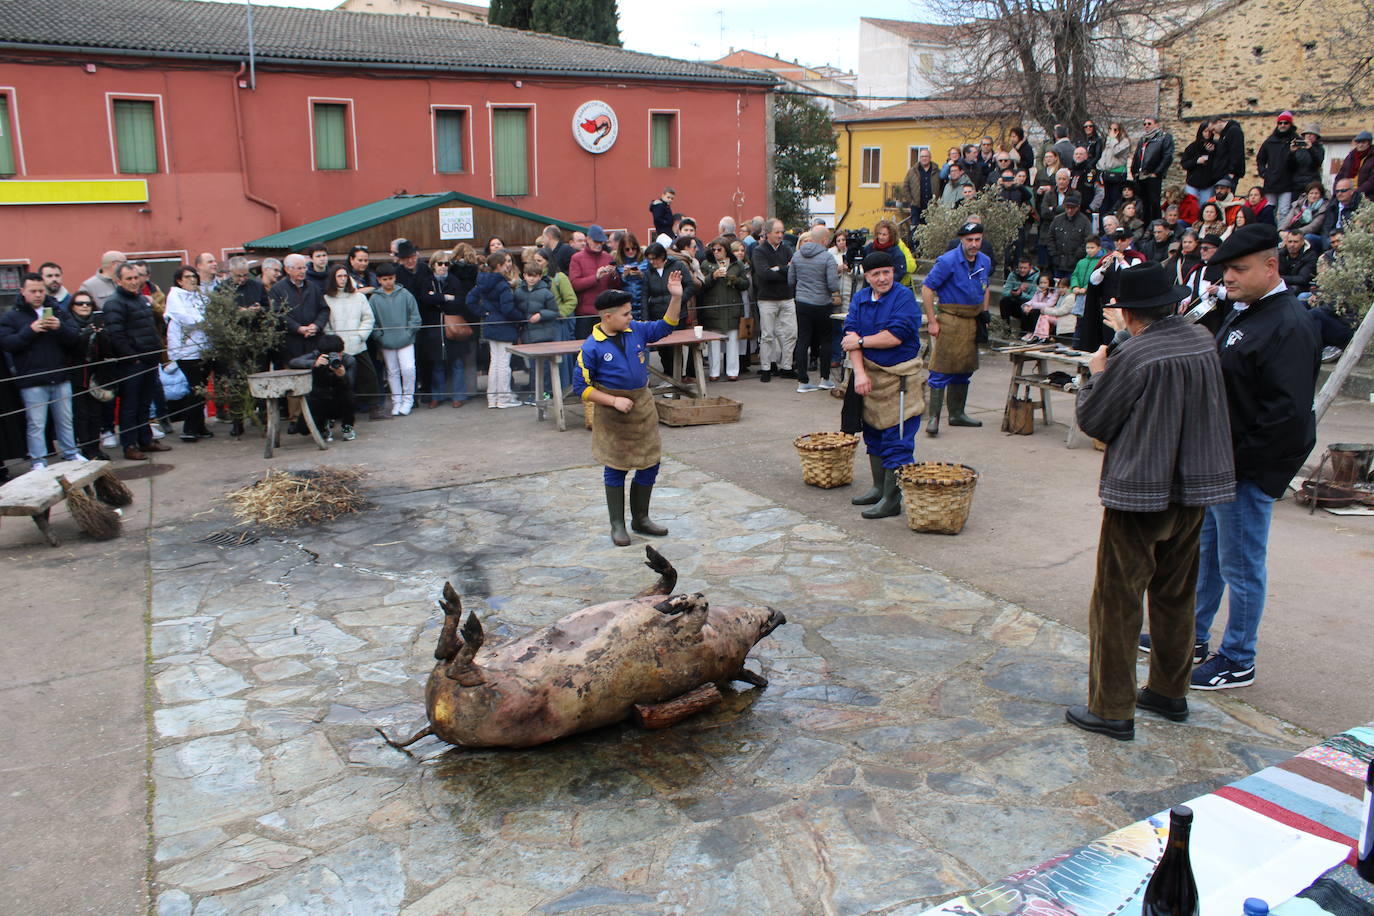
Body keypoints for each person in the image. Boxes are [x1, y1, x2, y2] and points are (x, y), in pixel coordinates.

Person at [1065, 262, 1235, 741]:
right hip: (1194, 489)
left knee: (1117, 601)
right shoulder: (1202, 340)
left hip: (1141, 493)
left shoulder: (1138, 356)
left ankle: (1112, 707)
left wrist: (1097, 372)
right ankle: (1168, 690)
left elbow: (1094, 419)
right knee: (1176, 593)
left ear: (1132, 314)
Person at [1160, 224, 1321, 691]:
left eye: (1238, 269)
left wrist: (1245, 465)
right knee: (1208, 555)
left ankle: (1238, 656)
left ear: (1271, 266)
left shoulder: (1288, 322)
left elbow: (1287, 414)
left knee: (1242, 564)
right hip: (1222, 461)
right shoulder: (1247, 310)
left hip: (1245, 468)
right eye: (1225, 269)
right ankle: (1191, 635)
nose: (1227, 277)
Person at [575, 281, 683, 546]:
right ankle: (618, 525)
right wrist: (612, 401)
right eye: (625, 313)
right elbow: (581, 388)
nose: (630, 317)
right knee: (616, 468)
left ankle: (641, 519)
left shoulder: (635, 330)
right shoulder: (591, 347)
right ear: (607, 316)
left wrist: (676, 296)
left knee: (650, 462)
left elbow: (666, 325)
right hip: (613, 417)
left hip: (642, 411)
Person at [843, 250, 926, 518]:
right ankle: (879, 488)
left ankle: (892, 500)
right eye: (876, 274)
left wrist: (863, 342)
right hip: (870, 377)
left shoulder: (903, 297)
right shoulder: (860, 298)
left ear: (893, 272)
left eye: (886, 272)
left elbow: (896, 336)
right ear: (866, 277)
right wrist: (860, 373)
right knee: (874, 435)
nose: (882, 278)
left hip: (900, 378)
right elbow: (849, 336)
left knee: (897, 439)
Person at [0, 273, 86, 470]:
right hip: (32, 380)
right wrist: (30, 330)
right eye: (33, 291)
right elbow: (7, 344)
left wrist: (59, 327)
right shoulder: (11, 316)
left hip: (60, 375)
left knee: (65, 419)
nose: (38, 295)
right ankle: (38, 460)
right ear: (22, 292)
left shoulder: (57, 311)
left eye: (41, 291)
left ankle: (71, 453)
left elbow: (75, 339)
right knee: (36, 424)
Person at [921, 221, 991, 437]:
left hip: (972, 320)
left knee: (965, 368)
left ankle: (957, 413)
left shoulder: (985, 261)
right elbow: (927, 288)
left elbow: (985, 286)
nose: (973, 244)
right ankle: (934, 418)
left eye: (977, 239)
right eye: (969, 240)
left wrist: (985, 312)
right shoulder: (948, 261)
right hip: (949, 319)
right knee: (941, 369)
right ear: (961, 240)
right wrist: (932, 321)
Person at [100, 263, 170, 460]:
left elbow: (150, 328)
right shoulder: (114, 303)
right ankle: (129, 445)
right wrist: (133, 358)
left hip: (149, 359)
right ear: (118, 281)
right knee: (130, 406)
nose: (133, 282)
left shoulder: (141, 299)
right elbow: (116, 335)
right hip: (132, 363)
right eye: (128, 279)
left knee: (145, 404)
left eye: (136, 278)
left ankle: (145, 440)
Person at [323, 265, 382, 419]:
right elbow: (326, 324)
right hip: (339, 347)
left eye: (344, 276)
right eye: (339, 276)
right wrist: (334, 342)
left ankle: (374, 408)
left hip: (358, 344)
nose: (342, 279)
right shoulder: (327, 299)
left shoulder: (359, 297)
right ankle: (341, 412)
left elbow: (368, 318)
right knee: (340, 378)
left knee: (369, 376)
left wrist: (360, 335)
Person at [163, 266, 213, 442]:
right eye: (188, 277)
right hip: (186, 352)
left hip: (203, 349)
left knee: (201, 389)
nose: (192, 279)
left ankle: (199, 426)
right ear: (179, 280)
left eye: (194, 276)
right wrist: (205, 321)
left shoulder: (199, 295)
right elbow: (186, 319)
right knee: (195, 388)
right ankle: (189, 428)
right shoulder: (175, 296)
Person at [788, 225, 840, 392]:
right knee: (825, 340)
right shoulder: (827, 258)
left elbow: (791, 281)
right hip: (822, 303)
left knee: (803, 339)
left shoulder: (797, 255)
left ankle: (802, 381)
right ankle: (825, 378)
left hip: (802, 302)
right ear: (824, 240)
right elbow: (833, 285)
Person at [370, 262, 422, 416]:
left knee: (408, 369)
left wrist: (408, 333)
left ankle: (408, 400)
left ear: (395, 278)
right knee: (392, 372)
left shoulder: (405, 294)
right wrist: (380, 337)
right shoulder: (374, 299)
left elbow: (415, 317)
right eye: (385, 279)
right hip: (386, 342)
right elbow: (372, 321)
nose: (388, 282)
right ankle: (396, 401)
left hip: (405, 340)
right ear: (379, 280)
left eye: (391, 278)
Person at [750, 219, 796, 382]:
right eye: (777, 232)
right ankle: (766, 368)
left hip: (787, 297)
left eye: (782, 232)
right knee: (768, 335)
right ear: (767, 233)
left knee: (791, 333)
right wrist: (783, 269)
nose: (780, 235)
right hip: (767, 299)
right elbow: (764, 274)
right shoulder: (759, 251)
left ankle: (787, 366)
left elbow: (792, 270)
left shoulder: (787, 249)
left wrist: (778, 269)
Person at [288, 334, 356, 441]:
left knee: (350, 396)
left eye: (338, 354)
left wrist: (342, 376)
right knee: (303, 429)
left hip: (340, 398)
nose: (336, 357)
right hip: (319, 398)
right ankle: (323, 426)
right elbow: (293, 362)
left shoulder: (349, 360)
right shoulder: (317, 357)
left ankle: (347, 426)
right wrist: (314, 363)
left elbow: (351, 385)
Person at [698, 236, 747, 381]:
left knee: (733, 340)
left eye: (719, 249)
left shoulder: (737, 264)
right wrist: (713, 276)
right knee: (713, 342)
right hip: (714, 307)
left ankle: (733, 371)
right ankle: (714, 372)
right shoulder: (706, 264)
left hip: (732, 307)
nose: (716, 252)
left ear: (726, 250)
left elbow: (745, 284)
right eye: (713, 249)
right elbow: (702, 284)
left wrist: (736, 280)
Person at [513, 261, 560, 401]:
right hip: (527, 334)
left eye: (535, 276)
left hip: (544, 334)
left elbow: (554, 312)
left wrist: (541, 315)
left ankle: (544, 393)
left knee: (544, 366)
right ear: (524, 276)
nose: (532, 278)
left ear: (540, 276)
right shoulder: (519, 292)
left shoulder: (546, 292)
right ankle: (535, 393)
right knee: (533, 366)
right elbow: (516, 310)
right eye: (529, 275)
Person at [568, 224, 619, 340]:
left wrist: (614, 276)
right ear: (588, 239)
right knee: (585, 349)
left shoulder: (608, 258)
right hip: (585, 315)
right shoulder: (577, 258)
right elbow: (575, 284)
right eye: (596, 242)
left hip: (605, 312)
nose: (599, 245)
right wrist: (595, 277)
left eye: (601, 242)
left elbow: (615, 286)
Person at [1255, 112, 1298, 223]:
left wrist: (1293, 153)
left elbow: (1298, 162)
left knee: (1284, 212)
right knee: (1269, 211)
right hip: (1271, 182)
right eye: (1280, 123)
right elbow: (1260, 158)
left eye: (1285, 123)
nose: (1282, 125)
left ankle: (1281, 237)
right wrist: (1263, 173)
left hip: (1288, 183)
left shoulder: (1296, 141)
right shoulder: (1270, 141)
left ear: (1290, 124)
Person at [1131, 116, 1175, 223]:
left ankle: (1156, 225)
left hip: (1152, 175)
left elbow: (1167, 156)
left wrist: (1157, 172)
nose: (1146, 126)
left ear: (1156, 125)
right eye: (1145, 124)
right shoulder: (1143, 139)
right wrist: (1134, 172)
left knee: (1154, 203)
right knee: (1143, 203)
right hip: (1141, 175)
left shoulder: (1164, 137)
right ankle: (1146, 227)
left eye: (1149, 123)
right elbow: (1137, 156)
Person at [1046, 193, 1094, 281]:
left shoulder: (1084, 221)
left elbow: (1088, 240)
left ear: (1078, 207)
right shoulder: (1057, 219)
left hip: (1075, 264)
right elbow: (1050, 237)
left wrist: (1077, 256)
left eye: (1073, 208)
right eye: (1067, 207)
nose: (1070, 210)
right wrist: (1054, 254)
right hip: (1057, 262)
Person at [999, 257, 1040, 337]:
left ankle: (1024, 331)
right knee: (1004, 301)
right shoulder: (1013, 275)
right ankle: (1006, 328)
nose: (1022, 270)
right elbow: (1005, 292)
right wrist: (1016, 290)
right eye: (1020, 267)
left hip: (1027, 305)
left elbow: (1033, 297)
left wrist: (1021, 294)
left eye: (1025, 268)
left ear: (1030, 268)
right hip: (1015, 301)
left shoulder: (1036, 277)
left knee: (1024, 304)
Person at [904, 147, 942, 232]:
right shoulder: (912, 171)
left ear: (930, 157)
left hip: (932, 207)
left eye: (926, 156)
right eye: (922, 156)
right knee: (915, 231)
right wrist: (911, 201)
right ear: (920, 158)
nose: (924, 158)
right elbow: (905, 186)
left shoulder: (937, 171)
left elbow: (942, 187)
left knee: (932, 231)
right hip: (917, 207)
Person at [1278, 229, 1319, 297]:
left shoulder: (1310, 256)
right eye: (1290, 241)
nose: (1292, 245)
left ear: (1302, 242)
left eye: (1295, 242)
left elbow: (1303, 279)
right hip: (1283, 284)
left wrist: (1280, 278)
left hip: (1303, 288)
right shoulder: (1280, 254)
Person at [1336, 130, 1374, 202]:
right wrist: (1337, 191)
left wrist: (1357, 192)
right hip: (1345, 193)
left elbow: (1372, 181)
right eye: (1358, 142)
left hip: (1367, 196)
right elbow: (1340, 175)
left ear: (1369, 143)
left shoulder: (1372, 158)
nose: (1360, 145)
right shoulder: (1351, 156)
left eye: (1363, 142)